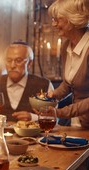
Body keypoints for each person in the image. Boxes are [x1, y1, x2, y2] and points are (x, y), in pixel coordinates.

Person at [0, 41, 54, 122]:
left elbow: (54, 117)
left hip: (33, 135)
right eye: (9, 60)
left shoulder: (44, 85)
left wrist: (33, 117)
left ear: (29, 63)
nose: (12, 65)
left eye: (18, 60)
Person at [46, 0, 89, 129]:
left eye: (57, 20)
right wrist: (50, 96)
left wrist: (61, 113)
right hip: (77, 124)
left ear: (72, 21)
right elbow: (69, 84)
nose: (53, 24)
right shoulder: (66, 46)